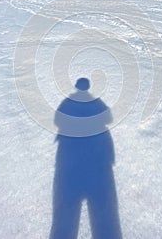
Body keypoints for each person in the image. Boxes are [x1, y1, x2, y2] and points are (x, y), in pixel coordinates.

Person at [50, 78, 122, 239]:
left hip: (70, 163)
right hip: (97, 164)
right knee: (104, 215)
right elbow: (108, 118)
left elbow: (57, 120)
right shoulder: (96, 104)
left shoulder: (67, 104)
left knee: (65, 215)